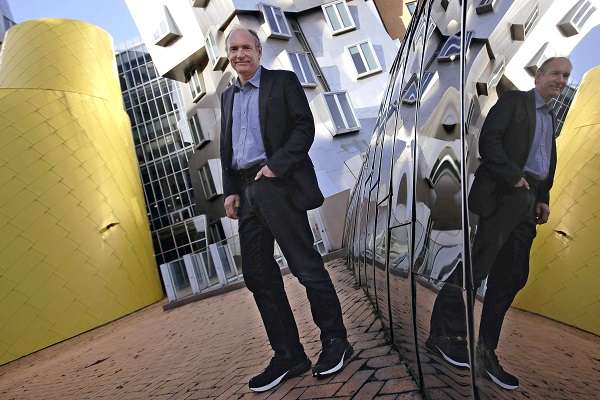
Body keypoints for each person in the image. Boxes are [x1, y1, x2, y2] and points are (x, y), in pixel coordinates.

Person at [219, 27, 352, 392]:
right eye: (233, 48)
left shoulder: (282, 82)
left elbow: (303, 127)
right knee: (257, 275)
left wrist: (276, 166)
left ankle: (336, 340)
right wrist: (230, 191)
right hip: (245, 193)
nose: (240, 53)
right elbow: (227, 149)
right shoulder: (227, 96)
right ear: (228, 55)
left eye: (246, 46)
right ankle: (289, 356)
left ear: (258, 50)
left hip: (276, 183)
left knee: (305, 265)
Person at [427, 57, 572, 390]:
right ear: (539, 75)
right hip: (502, 195)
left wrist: (542, 198)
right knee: (478, 266)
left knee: (512, 276)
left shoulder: (550, 119)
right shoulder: (514, 102)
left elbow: (544, 164)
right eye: (556, 73)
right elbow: (489, 142)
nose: (561, 80)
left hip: (527, 201)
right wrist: (514, 177)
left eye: (566, 76)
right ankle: (443, 335)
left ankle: (485, 351)